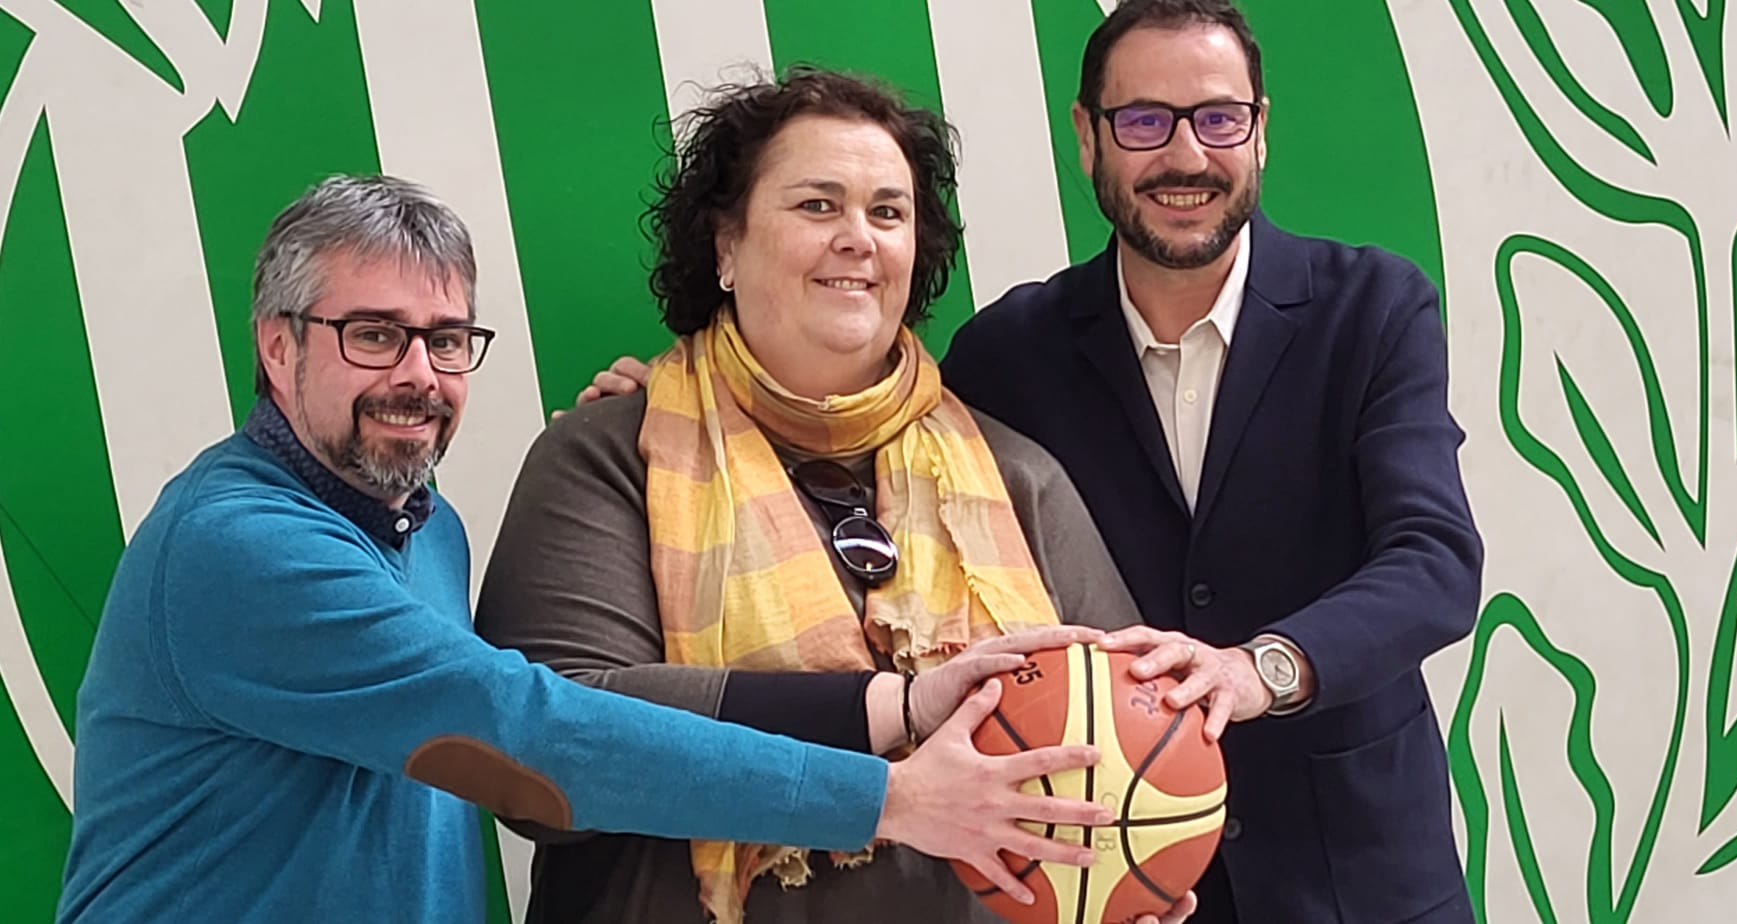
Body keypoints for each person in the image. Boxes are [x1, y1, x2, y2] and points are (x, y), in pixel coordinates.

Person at [54, 174, 1116, 924]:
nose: (416, 375)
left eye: (445, 339)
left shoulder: (424, 526)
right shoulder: (240, 547)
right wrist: (889, 792)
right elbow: (528, 732)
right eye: (371, 334)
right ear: (278, 347)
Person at [476, 68, 1198, 924]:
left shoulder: (1014, 476)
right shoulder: (607, 456)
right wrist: (885, 717)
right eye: (818, 205)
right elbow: (541, 758)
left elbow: (1122, 739)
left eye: (887, 212)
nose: (859, 237)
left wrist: (1128, 863)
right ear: (726, 247)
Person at [943, 2, 1484, 921]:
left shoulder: (1375, 308)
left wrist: (1256, 671)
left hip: (1362, 878)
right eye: (1144, 120)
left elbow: (1434, 564)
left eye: (1218, 117)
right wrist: (686, 404)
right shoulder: (1005, 354)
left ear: (1260, 131)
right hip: (1110, 881)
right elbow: (875, 466)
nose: (1186, 156)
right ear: (1088, 138)